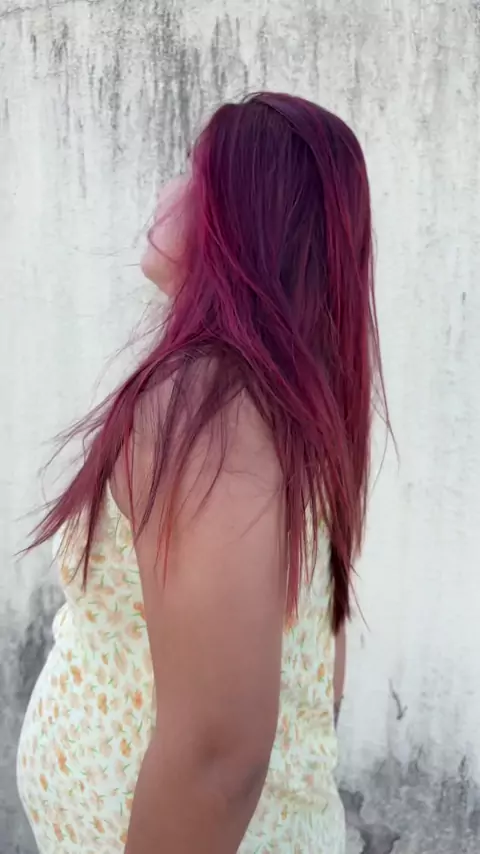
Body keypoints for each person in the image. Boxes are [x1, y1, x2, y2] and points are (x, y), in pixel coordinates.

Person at [16, 91, 387, 854]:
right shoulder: (281, 401)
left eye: (194, 174)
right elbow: (322, 660)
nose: (168, 192)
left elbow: (220, 756)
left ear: (244, 220)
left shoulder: (209, 408)